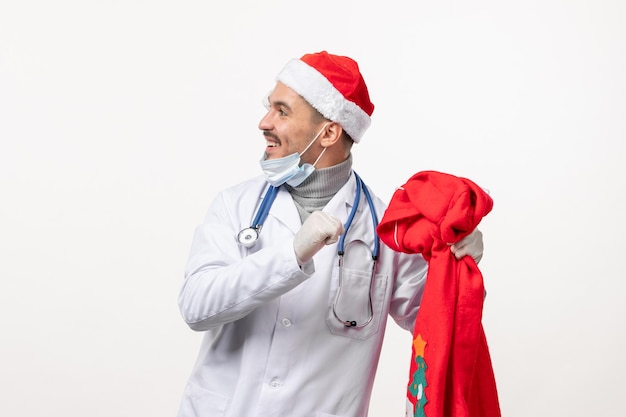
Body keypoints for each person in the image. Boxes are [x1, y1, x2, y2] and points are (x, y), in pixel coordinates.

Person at [177, 51, 484, 417]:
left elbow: (437, 324)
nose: (264, 122)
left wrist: (454, 262)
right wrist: (291, 254)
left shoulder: (387, 228)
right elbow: (196, 308)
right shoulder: (235, 205)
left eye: (282, 111)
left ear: (328, 132)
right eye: (269, 108)